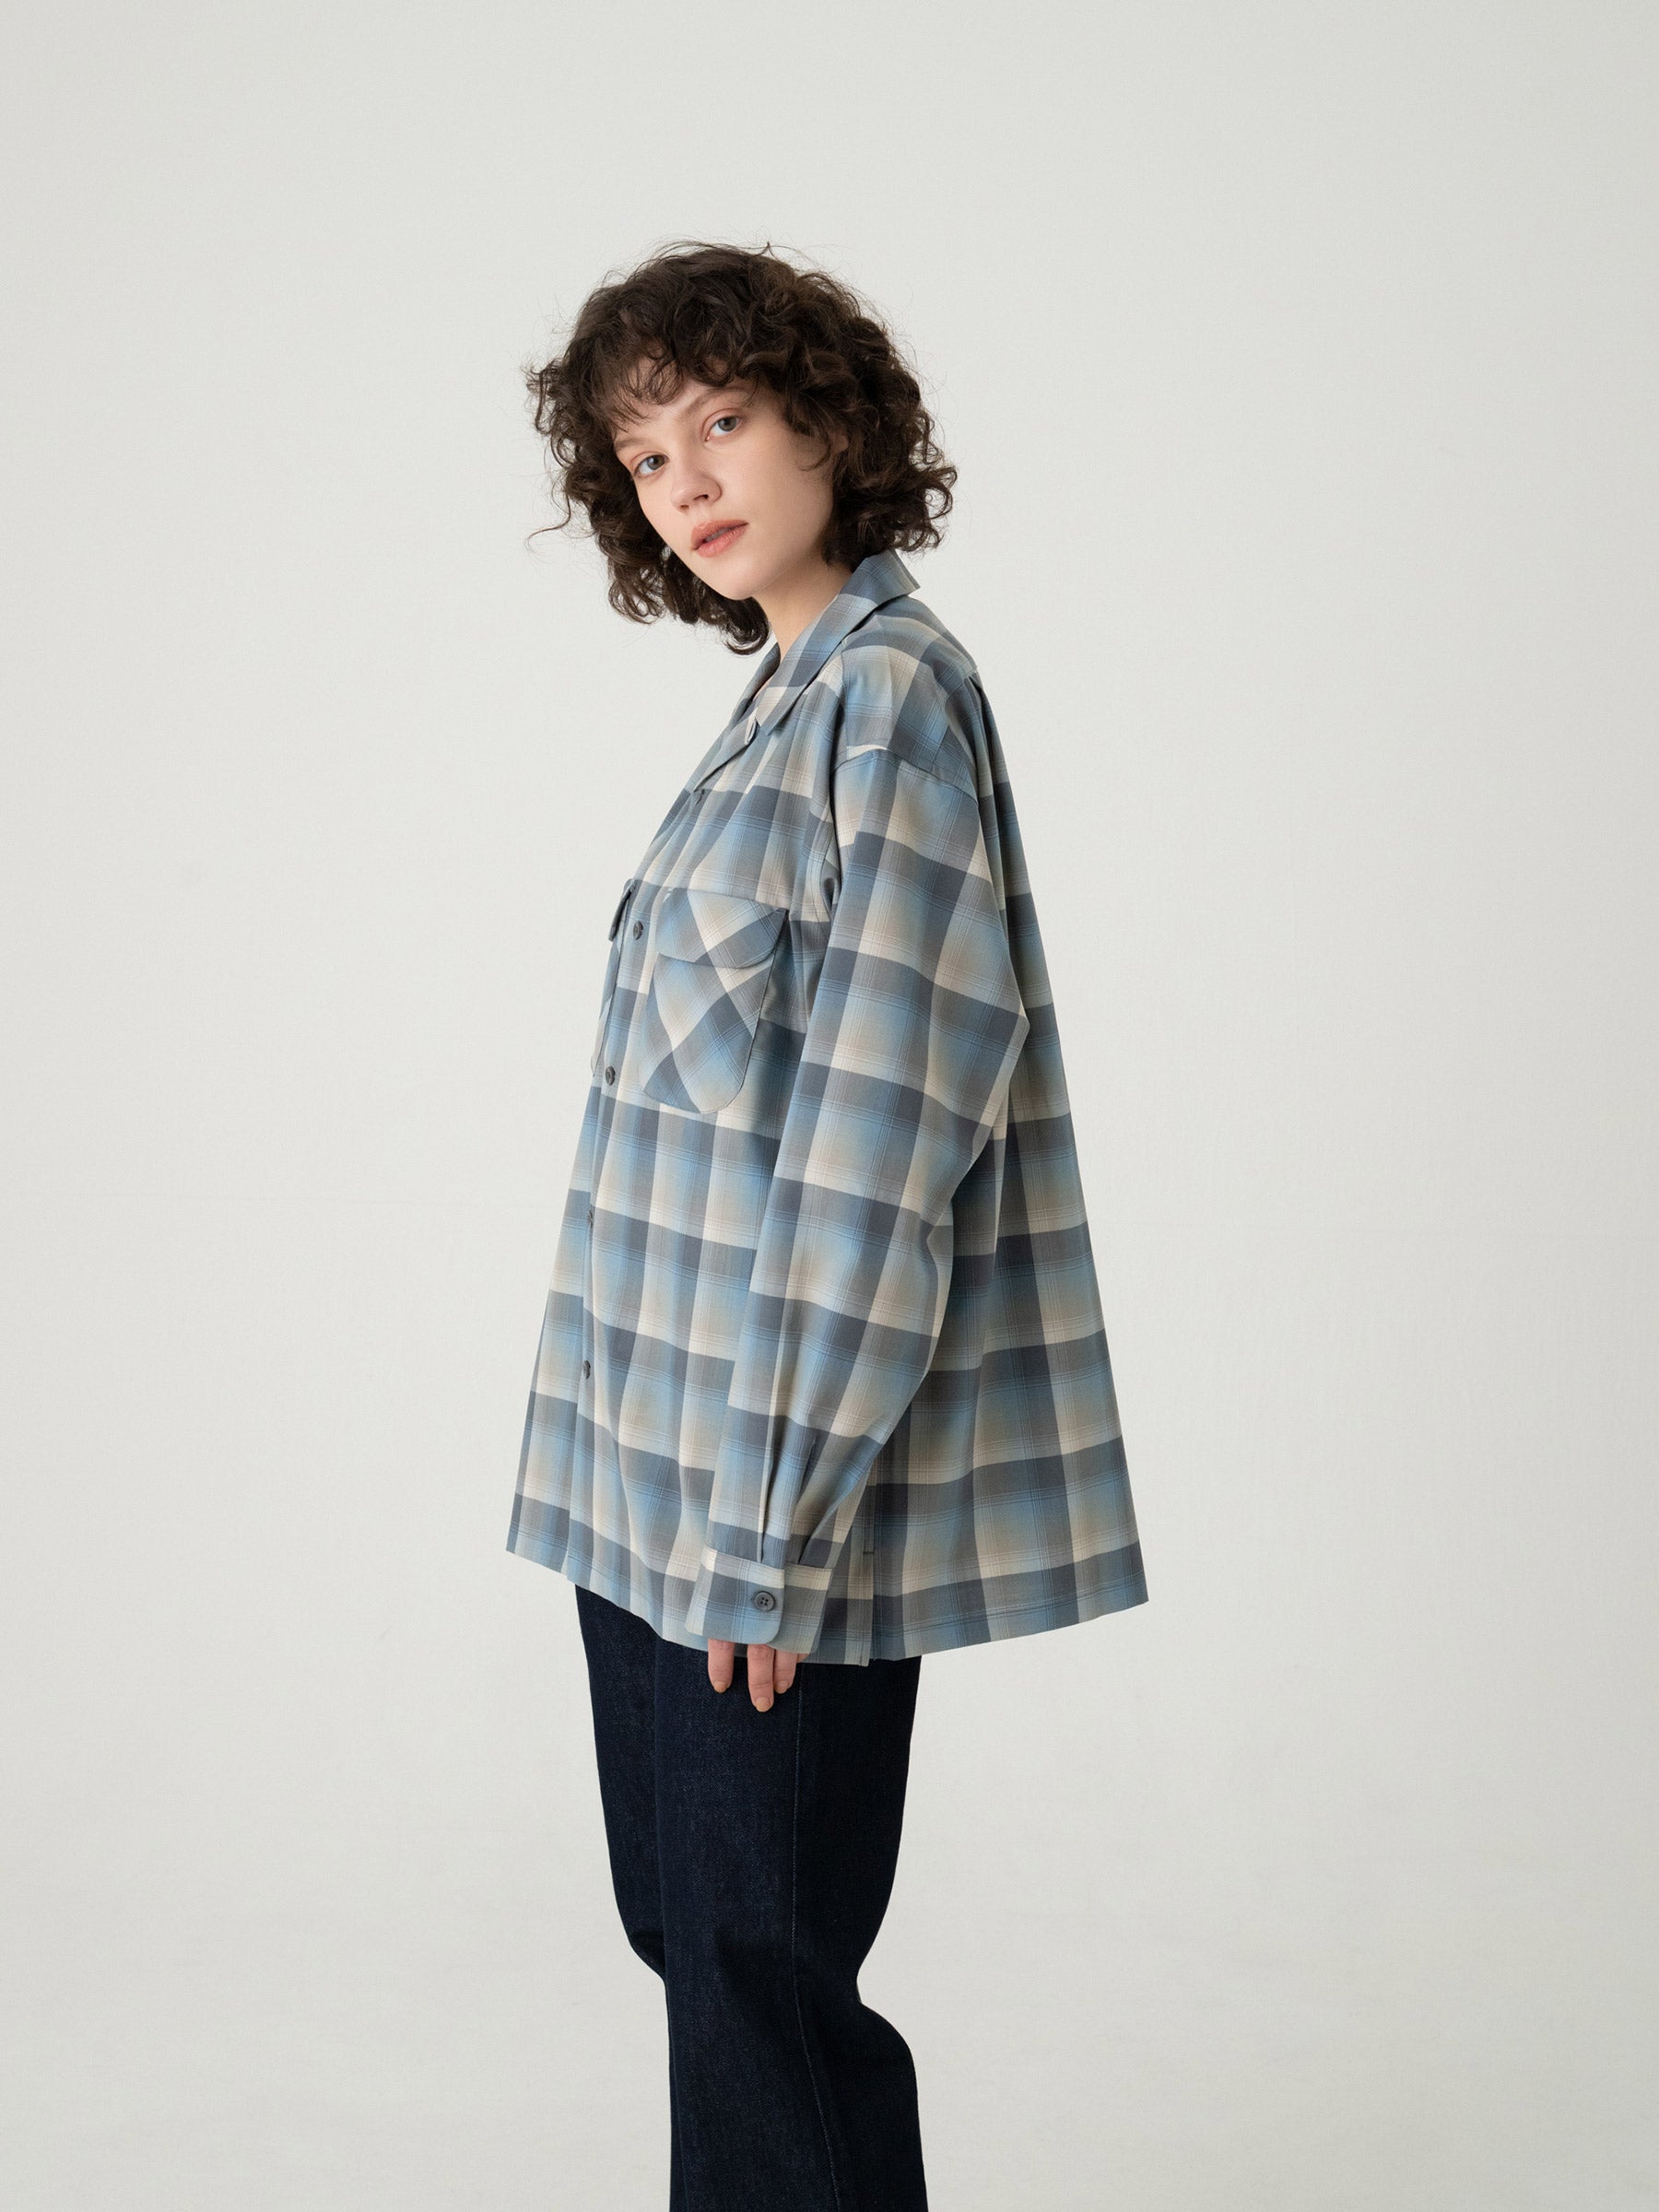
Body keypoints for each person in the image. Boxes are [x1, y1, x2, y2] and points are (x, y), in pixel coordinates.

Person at [508, 240, 1147, 2212]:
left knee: (760, 1972)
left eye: (721, 418)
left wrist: (772, 1530)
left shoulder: (889, 702)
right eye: (642, 454)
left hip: (753, 1499)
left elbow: (885, 1135)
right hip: (646, 1479)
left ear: (827, 420)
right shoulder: (781, 704)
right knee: (706, 1952)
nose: (684, 479)